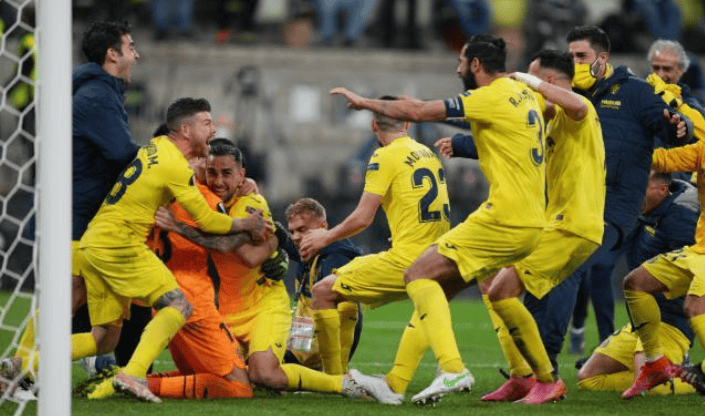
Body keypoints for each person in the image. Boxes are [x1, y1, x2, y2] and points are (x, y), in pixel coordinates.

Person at [326, 34, 547, 405]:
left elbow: (419, 111)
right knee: (445, 289)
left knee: (418, 274)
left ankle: (452, 368)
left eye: (461, 61)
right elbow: (524, 125)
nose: (457, 69)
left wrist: (365, 102)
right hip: (533, 218)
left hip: (504, 216)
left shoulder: (489, 95)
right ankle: (399, 382)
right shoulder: (524, 95)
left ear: (475, 65)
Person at [69, 98, 272, 402]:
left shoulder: (154, 149)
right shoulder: (185, 181)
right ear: (186, 133)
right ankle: (132, 377)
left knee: (103, 340)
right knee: (238, 384)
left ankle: (25, 363)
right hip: (144, 264)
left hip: (101, 247)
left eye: (226, 173)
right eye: (207, 124)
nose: (213, 130)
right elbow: (217, 232)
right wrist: (252, 227)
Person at [529, 25, 691, 373]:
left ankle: (546, 364)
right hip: (571, 206)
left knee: (571, 268)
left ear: (602, 58)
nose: (575, 62)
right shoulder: (568, 98)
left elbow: (669, 125)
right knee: (535, 273)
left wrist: (680, 127)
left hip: (616, 207)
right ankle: (531, 362)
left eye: (581, 56)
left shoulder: (634, 92)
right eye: (571, 56)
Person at [155, 138, 367, 398]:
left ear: (241, 175)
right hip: (225, 312)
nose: (218, 181)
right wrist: (279, 238)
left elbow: (247, 255)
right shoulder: (203, 199)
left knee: (263, 375)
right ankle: (139, 381)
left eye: (227, 173)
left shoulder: (250, 204)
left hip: (263, 308)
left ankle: (341, 381)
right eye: (212, 172)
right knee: (222, 378)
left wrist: (178, 227)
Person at [1, 21, 145, 389]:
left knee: (76, 298)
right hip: (79, 212)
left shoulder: (99, 91)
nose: (136, 54)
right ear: (112, 54)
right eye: (130, 47)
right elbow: (121, 153)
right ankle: (21, 365)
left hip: (76, 209)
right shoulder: (97, 97)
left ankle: (22, 365)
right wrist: (160, 159)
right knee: (73, 295)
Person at [577, 171, 698, 395]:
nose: (635, 194)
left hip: (670, 322)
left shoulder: (681, 216)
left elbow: (692, 273)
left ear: (662, 190)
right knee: (588, 379)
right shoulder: (642, 212)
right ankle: (669, 370)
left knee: (650, 387)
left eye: (641, 189)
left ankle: (687, 377)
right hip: (640, 322)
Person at [621, 137, 705, 398]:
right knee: (635, 283)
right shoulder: (702, 149)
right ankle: (656, 364)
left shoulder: (680, 214)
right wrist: (622, 147)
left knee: (694, 305)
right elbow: (663, 159)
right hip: (699, 250)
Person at [283, 198, 364, 372]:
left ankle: (333, 373)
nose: (295, 237)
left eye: (302, 230)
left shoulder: (336, 259)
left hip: (323, 350)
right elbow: (280, 238)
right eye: (292, 231)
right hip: (303, 340)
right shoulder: (308, 250)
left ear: (323, 226)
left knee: (264, 369)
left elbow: (347, 314)